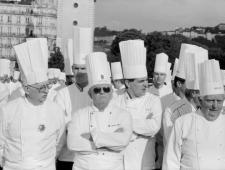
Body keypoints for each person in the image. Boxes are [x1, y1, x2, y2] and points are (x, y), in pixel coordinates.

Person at [163, 59, 225, 170]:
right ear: (201, 100)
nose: (215, 106)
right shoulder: (182, 123)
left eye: (219, 101)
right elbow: (171, 161)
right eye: (210, 100)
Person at [0, 38, 65, 170]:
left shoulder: (55, 109)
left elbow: (59, 141)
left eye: (47, 86)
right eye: (41, 88)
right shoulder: (9, 109)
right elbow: (1, 141)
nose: (46, 91)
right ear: (27, 89)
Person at [67, 52, 132, 170]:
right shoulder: (78, 115)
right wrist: (109, 143)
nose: (102, 92)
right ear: (90, 94)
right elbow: (72, 143)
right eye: (97, 89)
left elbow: (123, 141)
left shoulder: (123, 115)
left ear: (111, 93)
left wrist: (93, 137)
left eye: (106, 89)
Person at [115, 39, 162, 170]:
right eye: (141, 81)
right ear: (128, 83)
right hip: (120, 164)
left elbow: (153, 127)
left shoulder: (153, 100)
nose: (146, 84)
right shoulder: (115, 99)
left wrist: (125, 124)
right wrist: (141, 130)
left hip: (144, 163)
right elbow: (110, 130)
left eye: (146, 80)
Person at [55, 27, 92, 169]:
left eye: (83, 68)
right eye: (76, 68)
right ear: (72, 68)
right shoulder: (62, 94)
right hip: (67, 156)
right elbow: (60, 126)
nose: (80, 72)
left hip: (90, 155)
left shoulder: (98, 92)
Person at [148, 52, 172, 169]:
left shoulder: (170, 91)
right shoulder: (147, 91)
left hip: (165, 131)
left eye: (162, 74)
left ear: (165, 76)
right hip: (152, 132)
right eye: (156, 74)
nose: (158, 77)